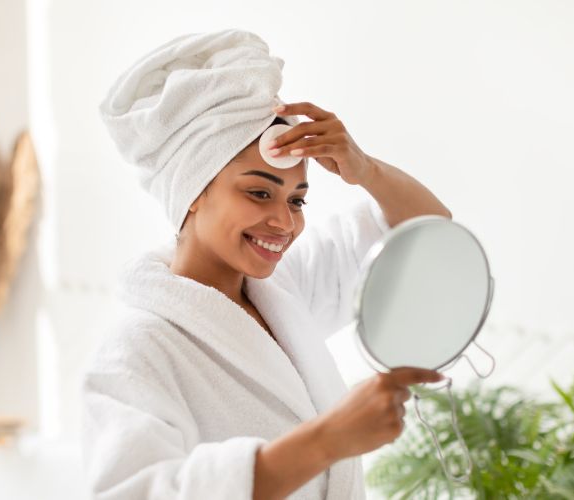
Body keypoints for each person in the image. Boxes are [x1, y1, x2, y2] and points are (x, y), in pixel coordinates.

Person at [82, 29, 451, 500]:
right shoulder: (135, 351)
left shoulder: (283, 293)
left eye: (297, 200)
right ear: (192, 194)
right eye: (259, 193)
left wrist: (365, 169)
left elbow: (427, 232)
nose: (284, 222)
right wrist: (329, 439)